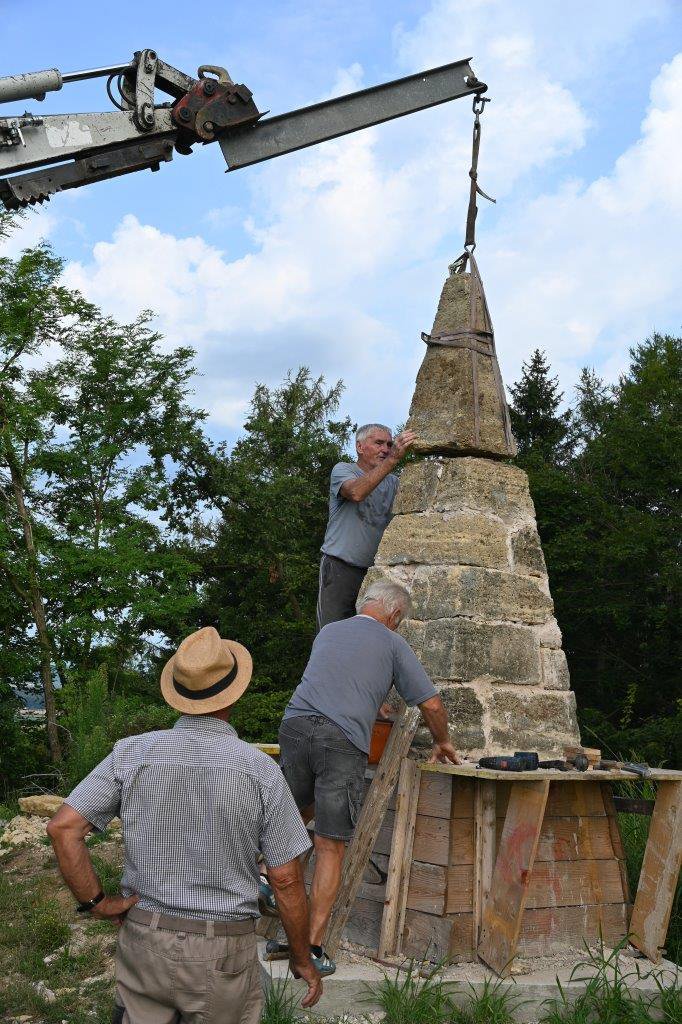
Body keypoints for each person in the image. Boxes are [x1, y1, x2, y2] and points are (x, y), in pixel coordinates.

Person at [47, 626, 322, 1024]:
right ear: (235, 693)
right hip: (221, 949)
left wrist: (98, 904)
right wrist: (301, 957)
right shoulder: (259, 770)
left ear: (179, 692)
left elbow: (63, 828)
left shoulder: (131, 753)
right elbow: (285, 880)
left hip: (144, 939)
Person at [269, 581, 461, 975]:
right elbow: (432, 703)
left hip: (294, 725)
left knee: (289, 821)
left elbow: (338, 680)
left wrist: (376, 701)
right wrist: (442, 741)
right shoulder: (393, 644)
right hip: (340, 741)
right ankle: (312, 949)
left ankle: (261, 878)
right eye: (400, 621)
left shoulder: (330, 631)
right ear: (394, 614)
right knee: (329, 845)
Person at [317, 423, 416, 630]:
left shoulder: (394, 483)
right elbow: (356, 493)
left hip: (374, 573)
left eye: (389, 444)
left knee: (370, 634)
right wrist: (393, 460)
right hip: (340, 568)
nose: (385, 449)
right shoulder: (343, 470)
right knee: (333, 633)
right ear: (360, 447)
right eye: (378, 443)